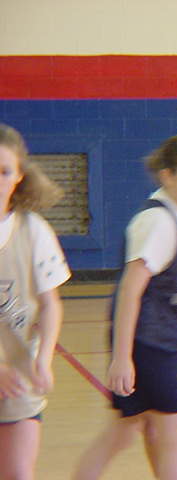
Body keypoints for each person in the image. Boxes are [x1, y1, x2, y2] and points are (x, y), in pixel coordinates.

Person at [73, 134, 177, 480]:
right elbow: (129, 293)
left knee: (124, 432)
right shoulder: (158, 222)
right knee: (176, 434)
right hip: (149, 344)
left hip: (166, 341)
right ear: (168, 175)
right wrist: (122, 358)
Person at [0, 124, 71, 479]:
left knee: (18, 473)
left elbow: (51, 303)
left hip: (18, 375)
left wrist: (42, 359)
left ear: (19, 176)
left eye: (4, 171)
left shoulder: (34, 230)